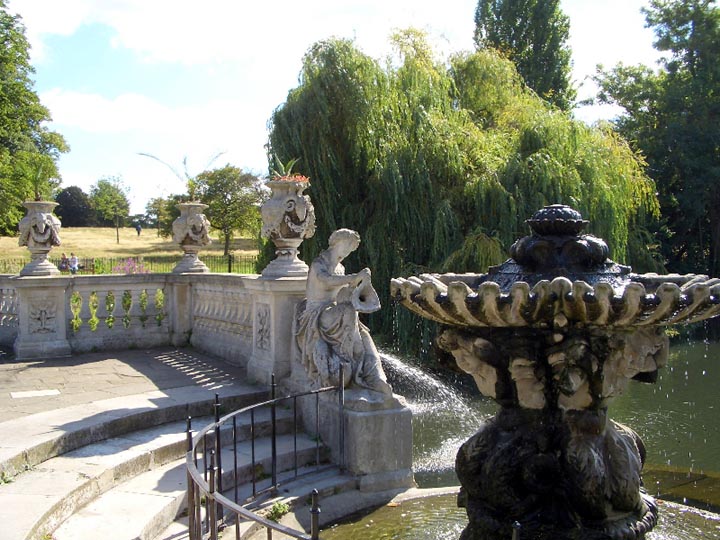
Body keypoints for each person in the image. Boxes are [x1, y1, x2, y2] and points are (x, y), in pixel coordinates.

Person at [295, 229, 392, 395]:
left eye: (351, 249)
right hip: (317, 314)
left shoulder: (340, 267)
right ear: (337, 242)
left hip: (334, 312)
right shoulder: (320, 263)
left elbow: (341, 292)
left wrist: (358, 285)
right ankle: (347, 363)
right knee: (348, 311)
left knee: (364, 334)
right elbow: (326, 280)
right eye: (347, 246)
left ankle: (376, 376)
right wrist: (353, 278)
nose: (347, 252)